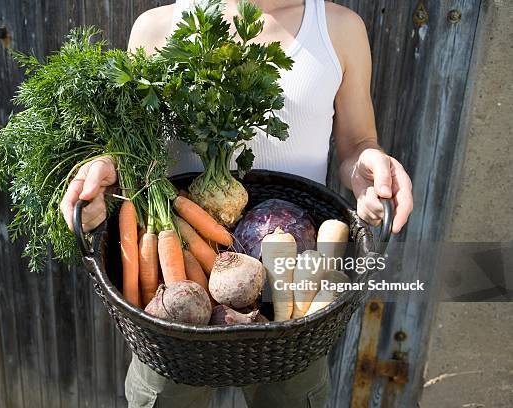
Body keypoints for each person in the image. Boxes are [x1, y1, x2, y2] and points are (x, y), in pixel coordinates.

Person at [59, 1, 413, 407]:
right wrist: (107, 169)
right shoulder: (158, 28)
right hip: (176, 289)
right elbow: (134, 149)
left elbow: (357, 142)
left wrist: (365, 169)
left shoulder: (339, 28)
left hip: (293, 292)